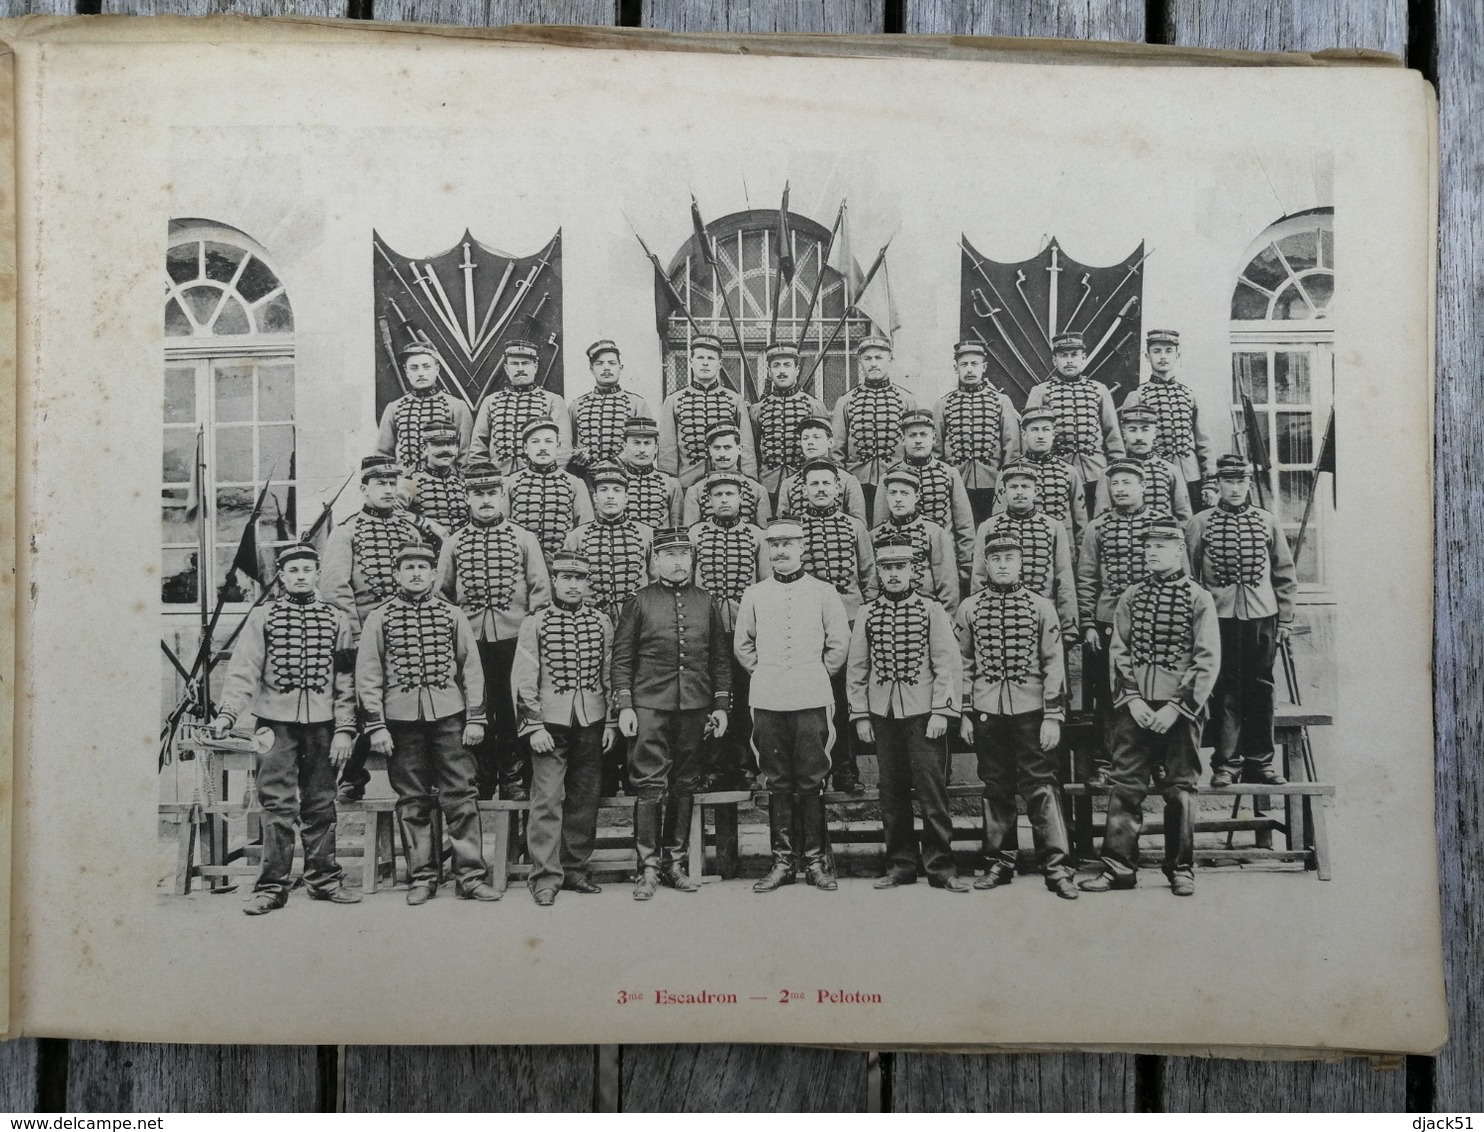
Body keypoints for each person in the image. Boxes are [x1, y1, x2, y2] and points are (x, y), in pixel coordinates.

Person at [210, 543, 360, 914]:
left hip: (323, 726)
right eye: (293, 570)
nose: (301, 576)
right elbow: (245, 669)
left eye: (307, 569)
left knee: (321, 803)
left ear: (317, 574)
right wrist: (228, 714)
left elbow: (345, 680)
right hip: (275, 726)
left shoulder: (337, 620)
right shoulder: (263, 617)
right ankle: (272, 887)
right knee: (277, 805)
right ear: (281, 575)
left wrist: (344, 728)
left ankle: (324, 880)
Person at [1079, 517, 1220, 897]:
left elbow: (1206, 660)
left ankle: (1181, 868)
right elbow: (1119, 652)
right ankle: (1118, 868)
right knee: (1126, 785)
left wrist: (1176, 707)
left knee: (1180, 789)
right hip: (1136, 710)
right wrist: (1134, 700)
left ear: (1178, 550)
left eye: (1161, 546)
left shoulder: (1198, 598)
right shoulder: (1131, 596)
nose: (1153, 552)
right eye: (1149, 547)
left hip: (1180, 712)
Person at [356, 542, 501, 905]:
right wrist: (376, 725)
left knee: (461, 796)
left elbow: (471, 669)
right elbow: (369, 674)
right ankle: (422, 876)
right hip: (401, 722)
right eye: (408, 568)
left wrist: (475, 718)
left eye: (423, 567)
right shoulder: (380, 617)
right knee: (412, 800)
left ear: (434, 574)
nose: (417, 573)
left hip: (450, 719)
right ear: (396, 575)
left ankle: (470, 875)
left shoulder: (452, 615)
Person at [956, 534, 1077, 900]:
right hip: (988, 711)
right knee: (996, 786)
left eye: (1010, 558)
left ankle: (1057, 867)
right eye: (996, 559)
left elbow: (1054, 664)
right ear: (986, 565)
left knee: (1041, 785)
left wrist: (1053, 715)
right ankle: (999, 862)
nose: (1003, 565)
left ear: (1021, 562)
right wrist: (964, 712)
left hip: (1031, 710)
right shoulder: (969, 608)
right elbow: (963, 664)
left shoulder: (1041, 607)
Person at [611, 528, 731, 900]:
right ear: (655, 561)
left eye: (684, 554)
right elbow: (622, 658)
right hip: (650, 705)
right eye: (669, 554)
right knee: (649, 784)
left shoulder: (706, 600)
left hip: (694, 706)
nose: (678, 562)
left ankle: (674, 863)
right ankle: (647, 867)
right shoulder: (639, 601)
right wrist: (626, 705)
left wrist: (721, 706)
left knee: (685, 782)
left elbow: (720, 659)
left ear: (693, 560)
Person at [735, 518, 851, 893]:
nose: (781, 550)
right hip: (768, 697)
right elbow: (743, 645)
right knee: (777, 778)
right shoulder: (754, 593)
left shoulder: (823, 591)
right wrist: (768, 673)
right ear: (767, 550)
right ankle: (782, 862)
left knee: (811, 776)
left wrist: (811, 674)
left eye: (788, 543)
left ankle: (815, 861)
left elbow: (838, 644)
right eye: (775, 545)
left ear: (802, 547)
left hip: (811, 696)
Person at [847, 534, 967, 892]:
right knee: (891, 791)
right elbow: (857, 668)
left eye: (900, 567)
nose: (894, 574)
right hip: (883, 714)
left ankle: (941, 867)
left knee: (932, 791)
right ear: (879, 573)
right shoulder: (867, 613)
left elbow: (947, 664)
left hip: (923, 714)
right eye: (887, 568)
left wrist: (941, 712)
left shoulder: (931, 610)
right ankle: (900, 864)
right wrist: (862, 715)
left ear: (914, 570)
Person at [320, 454, 437, 802]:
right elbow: (335, 589)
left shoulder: (409, 530)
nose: (388, 490)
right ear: (364, 488)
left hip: (406, 633)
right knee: (360, 706)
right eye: (380, 484)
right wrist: (356, 637)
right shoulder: (347, 532)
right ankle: (351, 776)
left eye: (392, 483)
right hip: (362, 636)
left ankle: (418, 777)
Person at [436, 462, 550, 801]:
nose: (485, 500)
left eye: (491, 493)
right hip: (472, 641)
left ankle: (514, 777)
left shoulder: (523, 538)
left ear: (502, 496)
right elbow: (442, 593)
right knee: (477, 705)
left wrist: (530, 634)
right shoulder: (454, 543)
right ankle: (482, 776)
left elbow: (540, 590)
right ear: (467, 497)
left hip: (515, 638)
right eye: (477, 494)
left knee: (511, 706)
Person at [1185, 455, 1297, 788]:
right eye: (1228, 482)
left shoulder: (1267, 521)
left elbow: (1284, 573)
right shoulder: (1200, 523)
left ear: (1248, 484)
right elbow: (1191, 576)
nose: (1234, 489)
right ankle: (1226, 763)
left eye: (1240, 482)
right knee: (1224, 689)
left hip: (1262, 617)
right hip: (1218, 619)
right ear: (1217, 485)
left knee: (1261, 689)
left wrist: (1286, 620)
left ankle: (1260, 762)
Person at [512, 550, 616, 904]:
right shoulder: (535, 623)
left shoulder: (601, 622)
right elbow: (523, 679)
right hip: (549, 725)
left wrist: (611, 722)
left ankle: (574, 869)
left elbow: (608, 674)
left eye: (580, 579)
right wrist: (534, 725)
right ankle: (544, 876)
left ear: (588, 583)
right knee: (547, 798)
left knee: (585, 798)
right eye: (567, 578)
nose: (574, 585)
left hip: (592, 720)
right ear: (555, 581)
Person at [1077, 461, 1163, 787]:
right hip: (1107, 621)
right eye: (1115, 484)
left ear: (1142, 486)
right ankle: (1106, 763)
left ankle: (1154, 762)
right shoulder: (1097, 528)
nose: (1121, 489)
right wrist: (1087, 623)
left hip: (1153, 621)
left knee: (1153, 689)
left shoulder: (1161, 525)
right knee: (1110, 695)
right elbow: (1086, 579)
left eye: (1128, 483)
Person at [796, 459, 877, 794]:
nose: (820, 490)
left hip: (848, 618)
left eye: (826, 484)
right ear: (804, 490)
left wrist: (865, 615)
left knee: (844, 698)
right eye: (814, 484)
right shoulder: (796, 528)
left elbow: (869, 574)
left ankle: (846, 769)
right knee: (812, 700)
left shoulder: (854, 527)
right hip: (808, 621)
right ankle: (815, 771)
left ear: (838, 489)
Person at [688, 472, 771, 791]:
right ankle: (710, 766)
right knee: (707, 698)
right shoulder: (696, 534)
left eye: (730, 494)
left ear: (741, 500)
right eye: (718, 494)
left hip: (743, 631)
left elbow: (764, 584)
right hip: (705, 631)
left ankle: (744, 766)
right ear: (708, 500)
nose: (724, 500)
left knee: (743, 699)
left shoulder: (756, 536)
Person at [970, 459, 1078, 644]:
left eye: (1025, 486)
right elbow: (979, 578)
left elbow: (1064, 579)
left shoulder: (1053, 527)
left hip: (1044, 618)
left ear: (1036, 491)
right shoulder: (988, 527)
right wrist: (982, 616)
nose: (1019, 492)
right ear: (1003, 491)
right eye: (1013, 487)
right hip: (999, 617)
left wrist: (1068, 627)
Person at [872, 409, 976, 591]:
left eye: (923, 434)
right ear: (903, 439)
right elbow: (881, 526)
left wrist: (965, 565)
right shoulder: (888, 477)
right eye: (912, 435)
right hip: (900, 564)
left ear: (934, 439)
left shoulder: (949, 473)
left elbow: (964, 525)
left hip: (945, 563)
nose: (918, 440)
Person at [1023, 332, 1124, 513]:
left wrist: (1118, 472)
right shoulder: (1041, 391)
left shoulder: (1099, 390)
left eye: (1074, 355)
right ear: (1055, 360)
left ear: (1083, 358)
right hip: (1057, 474)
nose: (1069, 361)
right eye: (1063, 356)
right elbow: (1029, 438)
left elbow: (1112, 435)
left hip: (1095, 473)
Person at [1120, 329, 1215, 513]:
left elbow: (1204, 442)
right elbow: (1127, 444)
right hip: (1152, 476)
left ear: (1177, 355)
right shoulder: (1137, 396)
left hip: (1190, 476)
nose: (1163, 357)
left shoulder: (1189, 395)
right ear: (1147, 356)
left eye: (1168, 351)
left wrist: (1210, 482)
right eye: (1157, 351)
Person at [933, 339, 1020, 523]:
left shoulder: (1001, 401)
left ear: (984, 367)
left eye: (975, 364)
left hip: (993, 484)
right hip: (956, 485)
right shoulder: (943, 405)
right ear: (956, 368)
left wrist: (1005, 482)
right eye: (964, 364)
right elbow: (936, 451)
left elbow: (1012, 447)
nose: (970, 369)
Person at [830, 335, 917, 516]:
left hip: (896, 481)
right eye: (867, 358)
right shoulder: (846, 401)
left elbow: (914, 446)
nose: (873, 363)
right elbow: (837, 448)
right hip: (857, 481)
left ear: (890, 360)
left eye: (879, 358)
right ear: (860, 361)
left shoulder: (906, 400)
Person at [657, 334, 758, 488]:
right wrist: (670, 485)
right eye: (700, 358)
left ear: (719, 364)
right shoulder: (673, 401)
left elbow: (746, 447)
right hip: (687, 484)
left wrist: (749, 481)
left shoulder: (735, 400)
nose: (705, 363)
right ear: (691, 362)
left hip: (729, 483)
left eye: (711, 358)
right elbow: (667, 451)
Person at [562, 464, 655, 630]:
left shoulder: (646, 535)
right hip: (590, 623)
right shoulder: (576, 537)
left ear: (626, 497)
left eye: (617, 490)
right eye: (603, 490)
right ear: (595, 497)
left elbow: (656, 583)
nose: (610, 496)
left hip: (638, 623)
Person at [470, 340, 571, 474]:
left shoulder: (553, 401)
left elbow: (563, 447)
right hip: (500, 479)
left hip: (538, 479)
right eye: (514, 364)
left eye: (525, 363)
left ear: (535, 367)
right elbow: (478, 445)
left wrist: (551, 477)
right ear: (506, 368)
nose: (520, 369)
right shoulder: (491, 401)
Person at [869, 466, 960, 612]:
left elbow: (948, 585)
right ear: (886, 496)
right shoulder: (875, 535)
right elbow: (871, 584)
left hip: (924, 614)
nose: (898, 499)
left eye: (905, 493)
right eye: (893, 493)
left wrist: (944, 620)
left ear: (916, 497)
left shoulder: (934, 532)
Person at [504, 417, 594, 563]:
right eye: (535, 442)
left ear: (558, 446)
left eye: (548, 441)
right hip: (520, 564)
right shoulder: (509, 483)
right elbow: (502, 529)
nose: (542, 448)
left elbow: (586, 532)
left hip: (562, 565)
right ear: (525, 448)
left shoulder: (575, 484)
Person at [1000, 407, 1087, 557]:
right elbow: (999, 520)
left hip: (1062, 551)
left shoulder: (1069, 472)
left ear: (1053, 434)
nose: (1040, 436)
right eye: (1034, 430)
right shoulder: (1007, 472)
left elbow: (1081, 522)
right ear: (1024, 434)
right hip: (1022, 552)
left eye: (1045, 429)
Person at [375, 343, 474, 472]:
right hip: (406, 486)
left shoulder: (457, 406)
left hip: (446, 486)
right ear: (406, 371)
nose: (421, 373)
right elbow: (383, 454)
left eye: (426, 367)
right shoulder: (394, 408)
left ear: (437, 369)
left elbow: (465, 455)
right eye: (414, 368)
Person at [749, 341, 826, 504]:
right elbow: (752, 450)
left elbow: (824, 452)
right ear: (769, 371)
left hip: (803, 484)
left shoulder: (813, 406)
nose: (782, 371)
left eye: (787, 365)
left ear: (796, 370)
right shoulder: (758, 409)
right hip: (768, 484)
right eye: (776, 365)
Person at [1092, 405, 1191, 523]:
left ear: (1155, 433)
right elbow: (1101, 519)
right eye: (1132, 430)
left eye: (1145, 429)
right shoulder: (1109, 473)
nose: (1139, 437)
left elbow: (1184, 519)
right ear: (1124, 434)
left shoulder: (1171, 471)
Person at [567, 339, 652, 477]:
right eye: (599, 364)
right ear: (591, 368)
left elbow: (646, 443)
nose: (606, 368)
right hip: (586, 479)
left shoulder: (636, 404)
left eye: (612, 363)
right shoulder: (577, 405)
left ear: (621, 368)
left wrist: (617, 462)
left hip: (625, 478)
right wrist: (578, 455)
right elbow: (567, 443)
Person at [680, 420, 772, 528]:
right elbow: (691, 535)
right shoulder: (695, 491)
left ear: (739, 449)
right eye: (717, 448)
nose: (722, 454)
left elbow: (765, 535)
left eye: (728, 447)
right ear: (709, 450)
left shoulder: (758, 490)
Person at [777, 415, 868, 524]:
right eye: (805, 438)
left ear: (830, 442)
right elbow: (781, 526)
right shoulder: (789, 483)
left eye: (816, 437)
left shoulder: (848, 480)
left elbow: (859, 526)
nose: (810, 442)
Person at [615, 415, 683, 530]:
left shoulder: (671, 483)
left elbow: (677, 527)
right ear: (625, 446)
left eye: (647, 443)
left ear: (656, 447)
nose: (642, 450)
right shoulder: (615, 481)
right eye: (636, 443)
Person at [401, 421, 469, 534]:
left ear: (457, 449)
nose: (446, 450)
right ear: (424, 449)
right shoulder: (411, 482)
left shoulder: (461, 486)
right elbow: (391, 511)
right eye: (439, 444)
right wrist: (427, 524)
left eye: (451, 444)